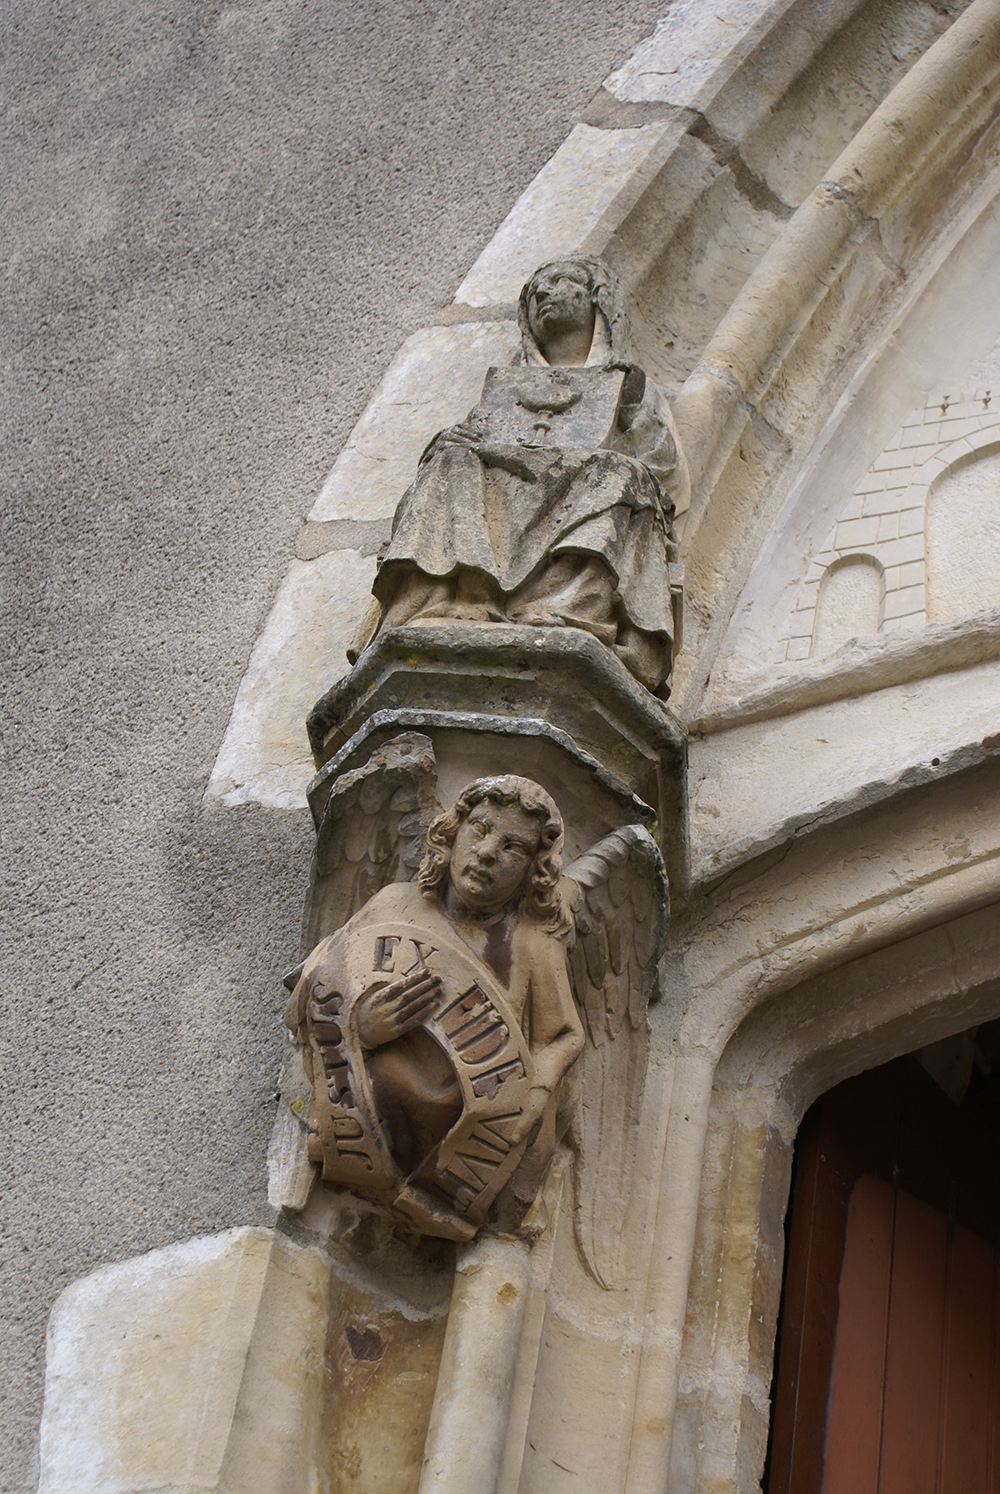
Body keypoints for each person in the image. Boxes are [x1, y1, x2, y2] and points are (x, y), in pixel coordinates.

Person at [356, 256, 688, 695]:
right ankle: (461, 599)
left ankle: (573, 608)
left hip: (582, 482)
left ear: (598, 301)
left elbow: (659, 466)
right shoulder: (508, 388)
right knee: (452, 462)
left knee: (624, 476)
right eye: (534, 292)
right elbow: (476, 435)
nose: (544, 294)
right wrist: (448, 441)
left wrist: (628, 417)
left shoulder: (630, 386)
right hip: (507, 477)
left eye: (561, 282)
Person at [292, 775, 586, 1239]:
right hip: (381, 1093)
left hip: (476, 1117)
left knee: (529, 1130)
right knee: (385, 1076)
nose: (486, 853)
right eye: (480, 829)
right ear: (451, 834)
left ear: (535, 869)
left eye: (512, 847)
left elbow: (566, 1033)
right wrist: (362, 1027)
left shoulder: (531, 942)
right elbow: (323, 985)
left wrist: (540, 1087)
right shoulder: (396, 904)